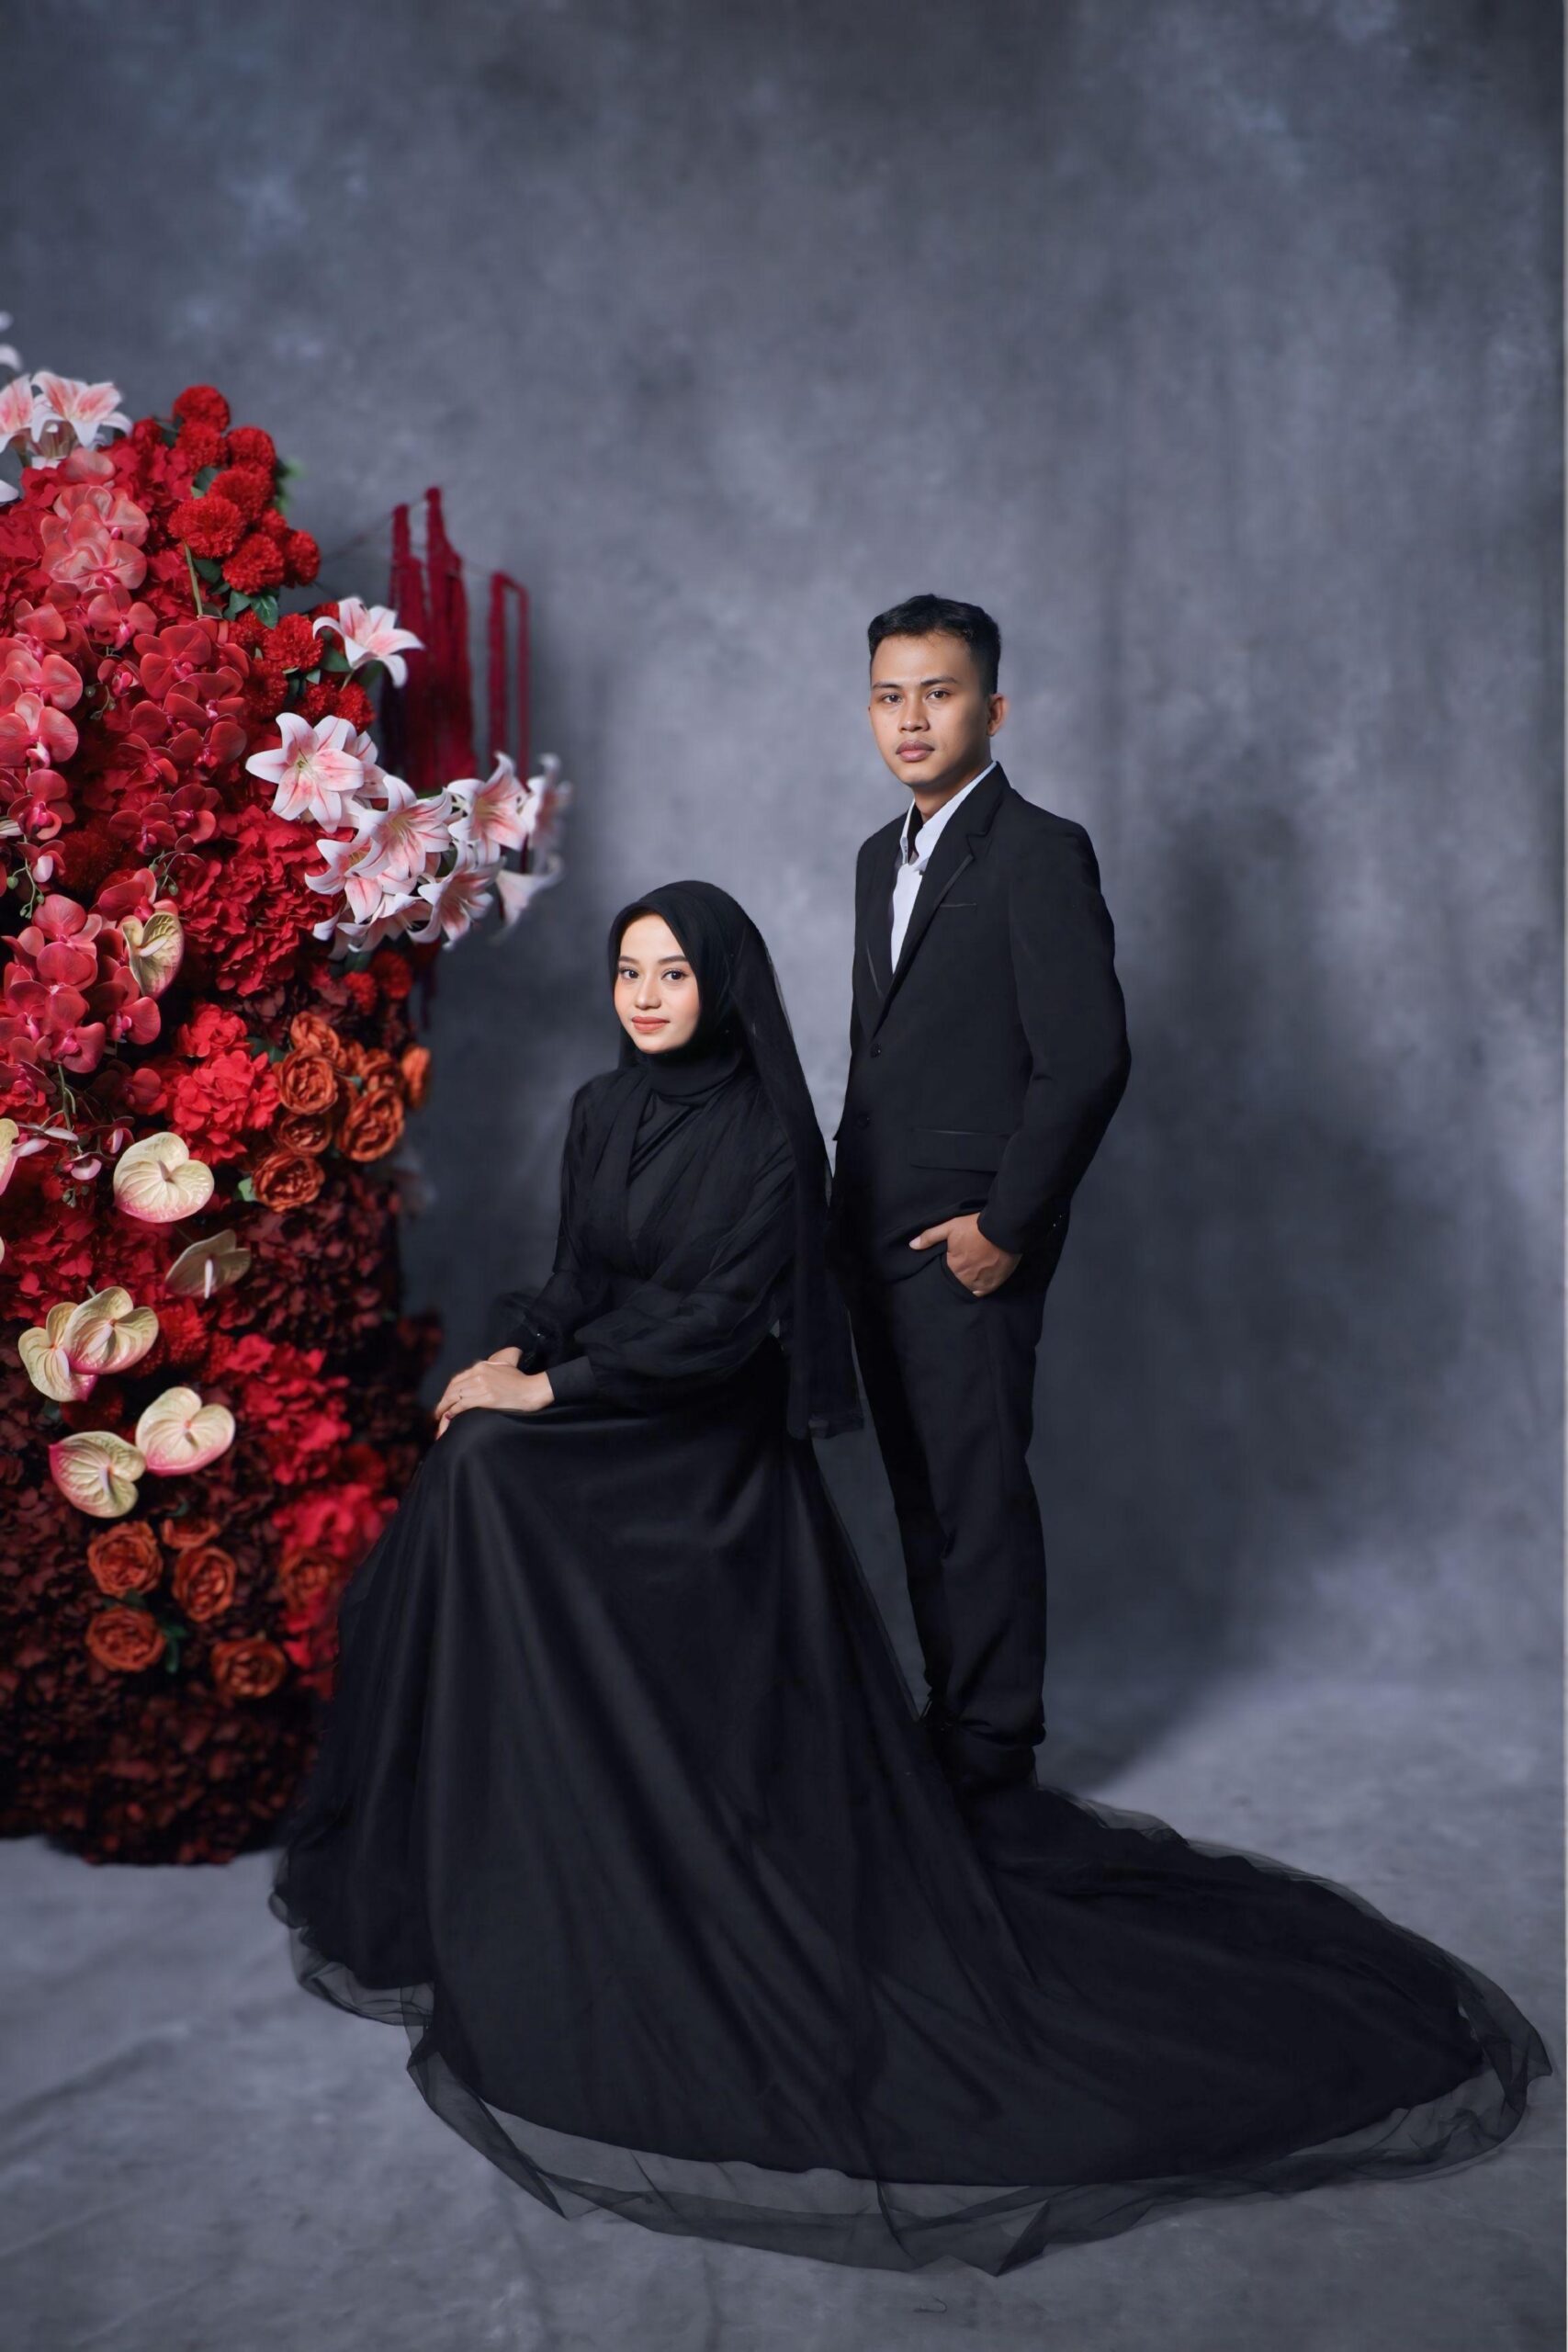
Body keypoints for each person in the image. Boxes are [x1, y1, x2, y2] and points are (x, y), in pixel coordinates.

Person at [270, 878, 1550, 2278]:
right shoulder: (598, 1109)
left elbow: (715, 1331)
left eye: (674, 974)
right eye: (629, 971)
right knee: (471, 1464)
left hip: (699, 1435)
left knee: (495, 1475)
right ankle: (521, 1827)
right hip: (608, 1396)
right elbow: (578, 1277)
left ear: (723, 986)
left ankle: (617, 1807)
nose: (645, 996)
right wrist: (517, 1355)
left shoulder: (769, 1134)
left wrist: (555, 1389)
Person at [831, 593, 1130, 1804]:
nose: (912, 719)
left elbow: (1087, 1060)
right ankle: (952, 1714)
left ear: (992, 710)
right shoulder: (878, 857)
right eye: (890, 696)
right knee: (917, 1488)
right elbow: (883, 1053)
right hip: (875, 1230)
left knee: (978, 1490)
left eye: (940, 693)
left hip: (971, 1239)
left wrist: (1008, 1227)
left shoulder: (1039, 851)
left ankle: (998, 1749)